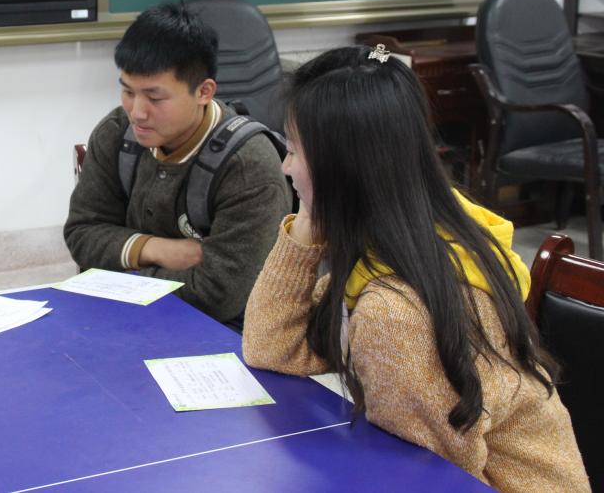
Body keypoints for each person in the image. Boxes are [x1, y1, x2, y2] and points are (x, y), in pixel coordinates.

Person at [242, 45, 589, 492]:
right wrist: (306, 226)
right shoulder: (414, 236)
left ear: (344, 168)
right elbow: (272, 347)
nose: (285, 165)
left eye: (293, 149)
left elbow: (431, 480)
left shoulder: (397, 312)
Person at [64, 1, 291, 328]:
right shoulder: (117, 133)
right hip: (126, 317)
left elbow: (219, 295)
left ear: (204, 92)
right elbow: (82, 234)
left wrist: (120, 266)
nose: (137, 112)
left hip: (223, 333)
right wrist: (157, 249)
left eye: (155, 98)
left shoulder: (247, 167)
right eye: (128, 91)